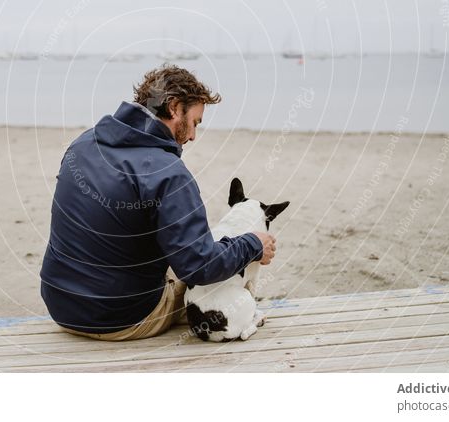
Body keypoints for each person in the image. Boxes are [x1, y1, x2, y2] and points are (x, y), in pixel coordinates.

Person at [39, 64, 277, 341]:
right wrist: (253, 244)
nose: (192, 136)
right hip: (121, 318)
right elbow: (199, 267)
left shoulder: (83, 143)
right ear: (175, 107)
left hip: (61, 305)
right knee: (221, 277)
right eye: (195, 122)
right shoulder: (168, 173)